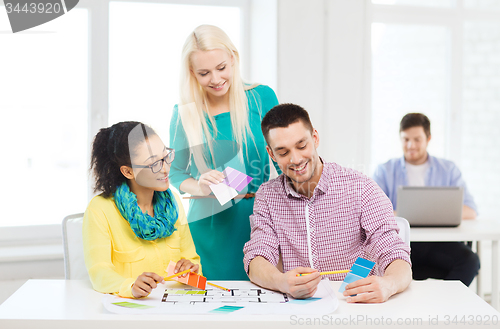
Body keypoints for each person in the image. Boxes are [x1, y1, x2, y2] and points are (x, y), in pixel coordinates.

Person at [243, 103, 412, 303]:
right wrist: (281, 282)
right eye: (283, 152)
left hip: (354, 302)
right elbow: (257, 256)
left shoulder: (359, 187)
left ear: (315, 138)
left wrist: (389, 284)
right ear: (271, 154)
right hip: (298, 308)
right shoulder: (267, 196)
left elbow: (394, 253)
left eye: (302, 145)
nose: (296, 159)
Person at [169, 25, 280, 280]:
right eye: (204, 73)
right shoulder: (184, 112)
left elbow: (282, 160)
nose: (216, 79)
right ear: (191, 73)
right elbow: (174, 173)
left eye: (221, 68)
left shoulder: (261, 97)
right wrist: (200, 185)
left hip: (257, 220)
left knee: (259, 303)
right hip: (207, 224)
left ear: (233, 58)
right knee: (209, 309)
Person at [83, 121, 201, 298]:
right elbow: (99, 272)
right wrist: (130, 286)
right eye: (154, 164)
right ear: (128, 172)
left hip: (174, 308)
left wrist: (191, 271)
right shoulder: (100, 209)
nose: (166, 168)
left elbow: (193, 262)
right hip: (130, 314)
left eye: (166, 157)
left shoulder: (173, 202)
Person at [373, 113, 480, 286]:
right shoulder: (384, 171)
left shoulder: (448, 169)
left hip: (438, 243)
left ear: (428, 139)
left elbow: (470, 210)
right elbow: (373, 211)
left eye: (417, 139)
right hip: (399, 242)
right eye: (405, 139)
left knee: (470, 261)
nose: (410, 145)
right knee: (369, 261)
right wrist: (408, 214)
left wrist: (426, 213)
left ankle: (443, 307)